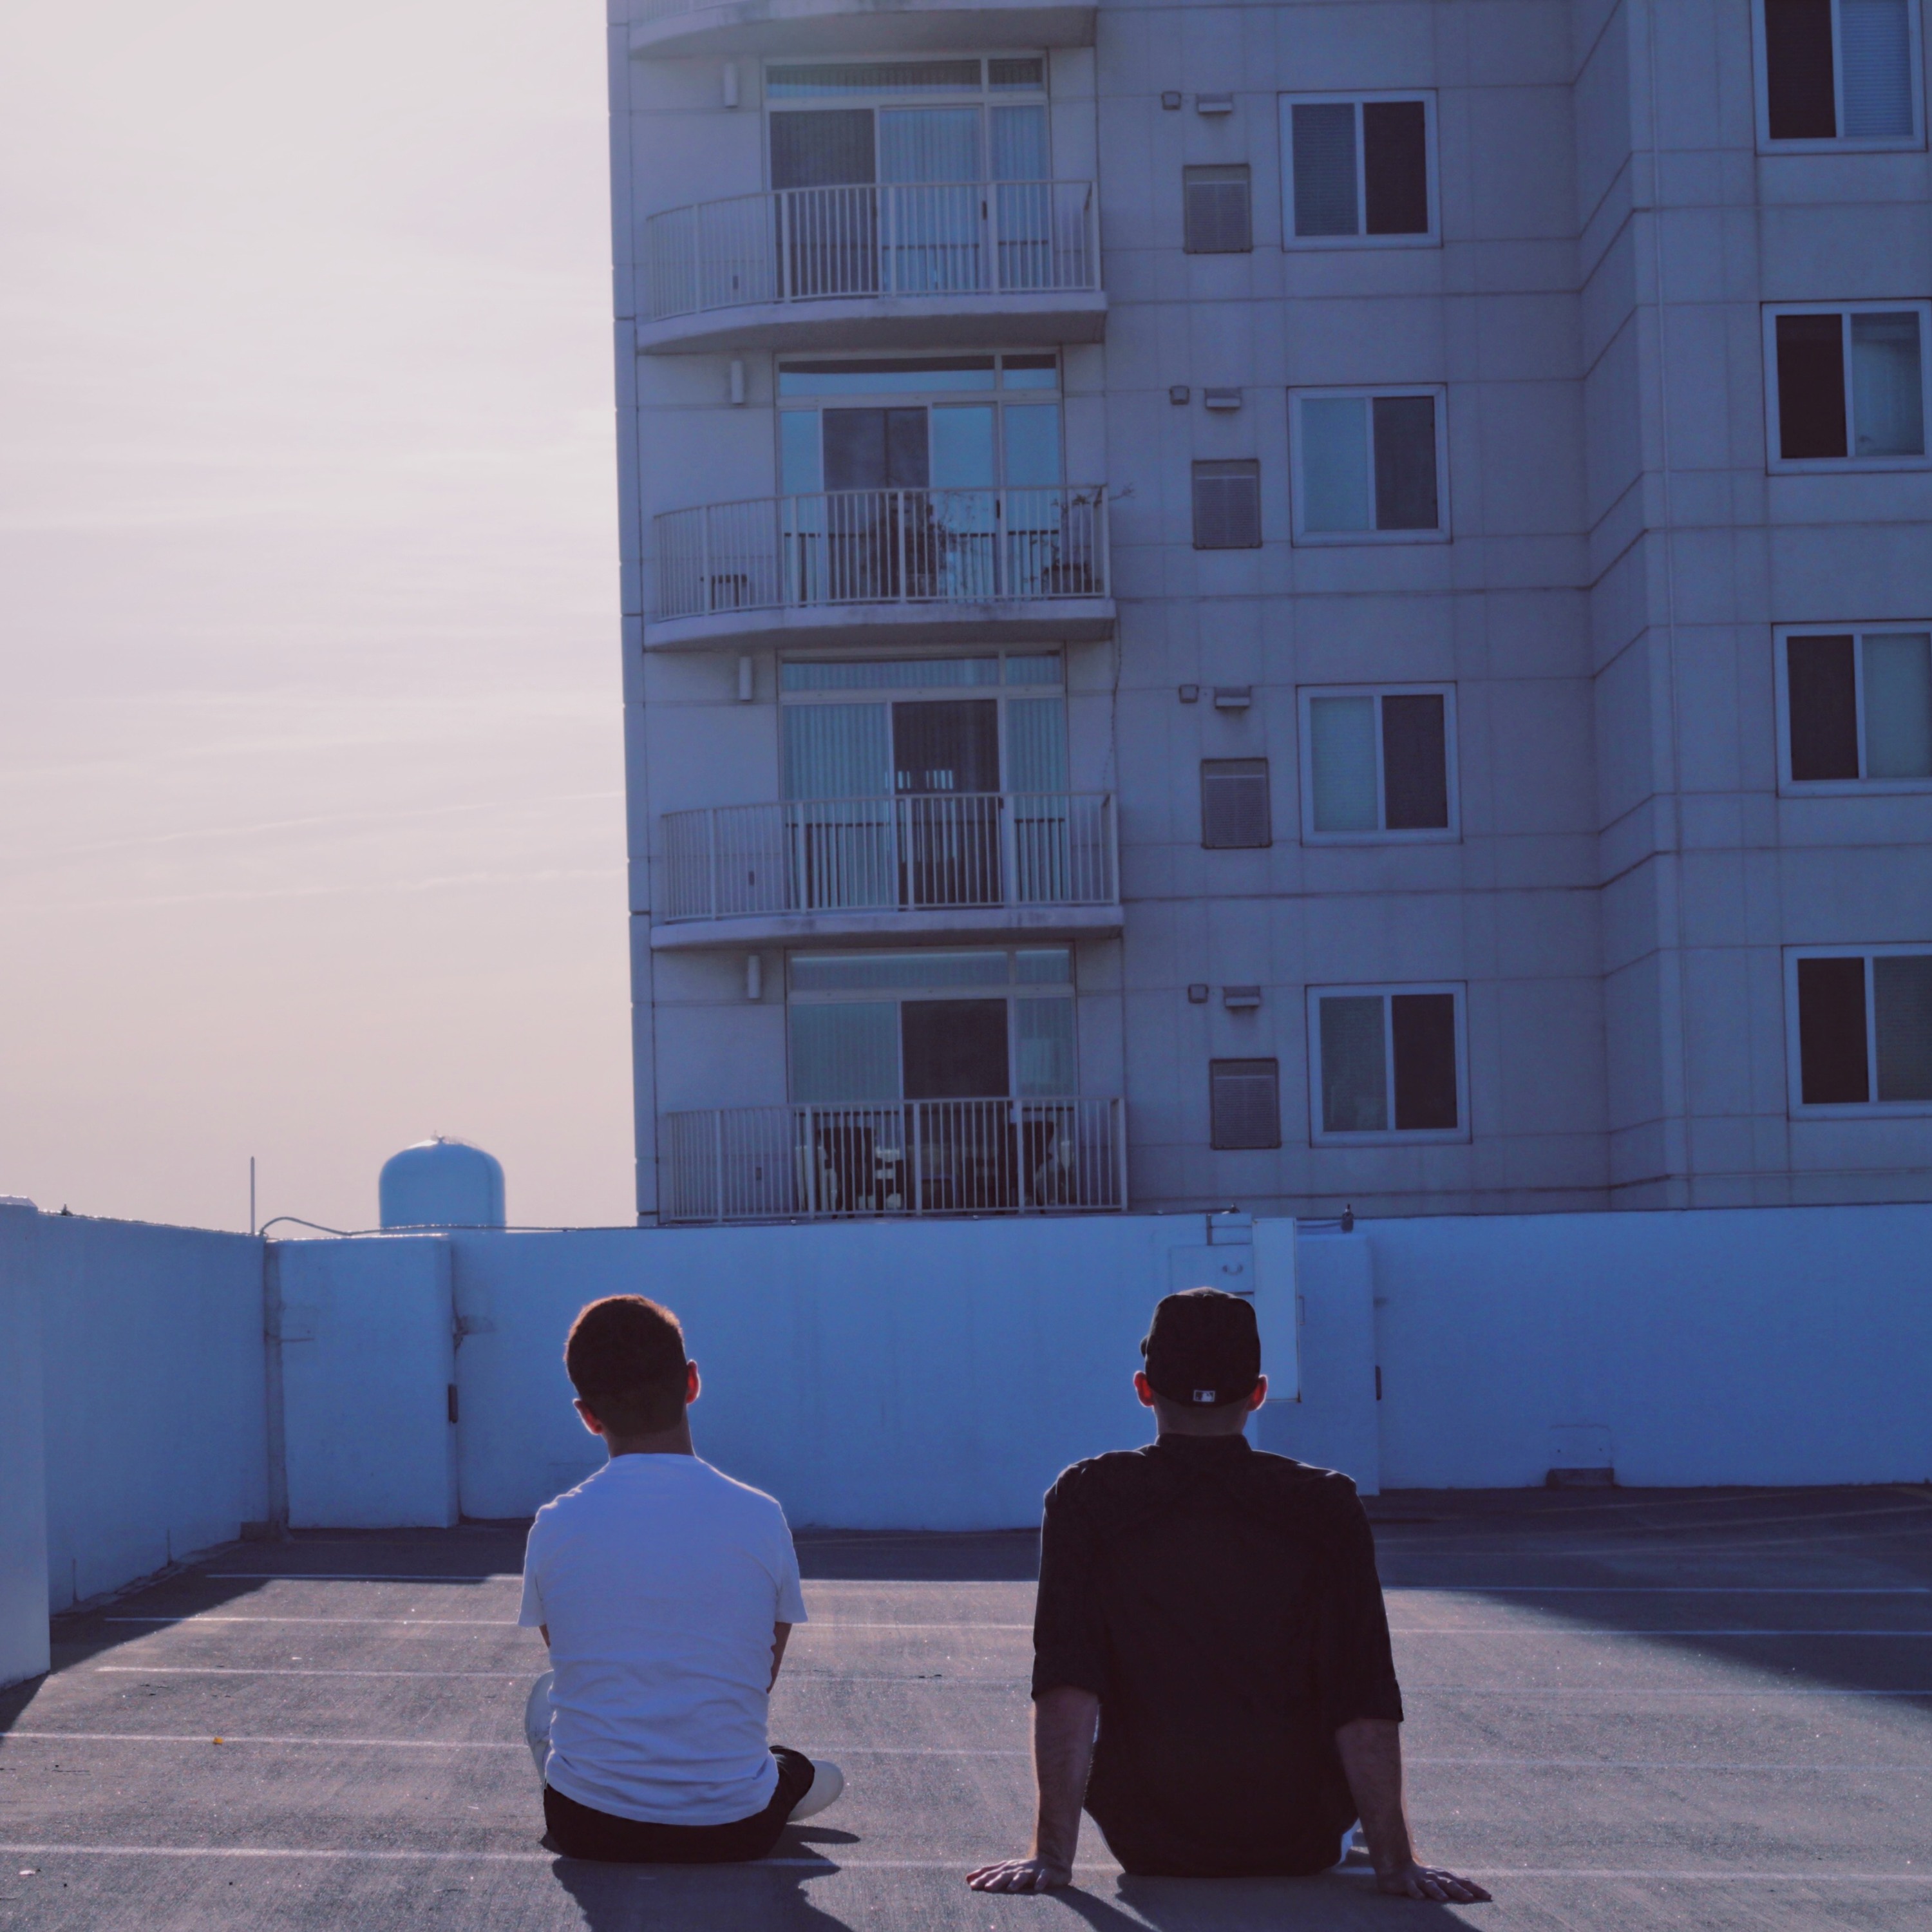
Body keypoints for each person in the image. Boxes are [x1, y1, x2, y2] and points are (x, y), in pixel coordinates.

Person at [966, 1288, 1490, 1904]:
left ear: (1144, 1389)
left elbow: (1067, 1681)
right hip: (1302, 1839)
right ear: (1259, 1393)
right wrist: (1398, 1864)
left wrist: (1050, 1855)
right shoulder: (1323, 1502)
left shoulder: (1087, 1496)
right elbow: (1363, 1687)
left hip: (1151, 1840)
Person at [518, 1293, 843, 1862]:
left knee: (549, 1695)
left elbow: (575, 1665)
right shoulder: (762, 1517)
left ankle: (585, 1771)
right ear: (692, 1383)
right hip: (736, 1830)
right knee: (812, 1772)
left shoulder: (554, 1525)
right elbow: (759, 1675)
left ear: (588, 1415)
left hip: (586, 1826)